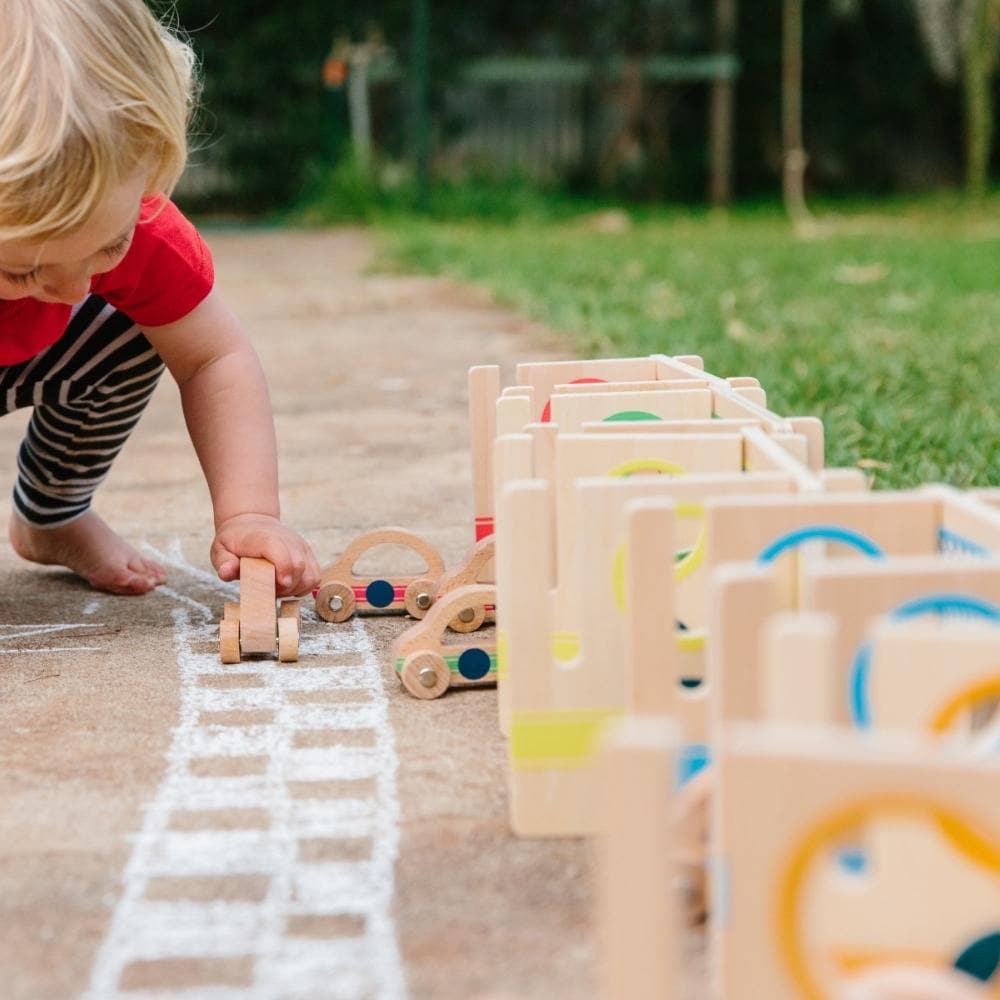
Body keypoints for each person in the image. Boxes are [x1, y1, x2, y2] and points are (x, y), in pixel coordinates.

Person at [0, 0, 321, 597]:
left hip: (20, 358)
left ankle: (53, 512)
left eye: (107, 246)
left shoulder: (146, 232)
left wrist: (249, 513)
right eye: (24, 270)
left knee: (130, 331)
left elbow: (213, 358)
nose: (73, 290)